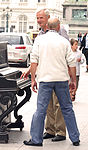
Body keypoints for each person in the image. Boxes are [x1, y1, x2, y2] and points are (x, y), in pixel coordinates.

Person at [23, 18, 80, 147]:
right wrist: (73, 81)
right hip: (61, 79)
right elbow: (71, 62)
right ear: (59, 27)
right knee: (67, 109)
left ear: (47, 27)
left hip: (45, 79)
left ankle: (36, 140)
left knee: (41, 110)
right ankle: (75, 138)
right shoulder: (64, 41)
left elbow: (34, 61)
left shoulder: (39, 40)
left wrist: (33, 79)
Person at [21, 9, 68, 142]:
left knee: (58, 104)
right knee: (47, 104)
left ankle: (60, 132)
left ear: (48, 19)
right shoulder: (41, 34)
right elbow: (37, 56)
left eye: (41, 18)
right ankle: (50, 130)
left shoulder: (60, 31)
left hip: (57, 74)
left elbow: (65, 51)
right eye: (37, 18)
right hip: (45, 74)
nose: (39, 21)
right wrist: (30, 70)